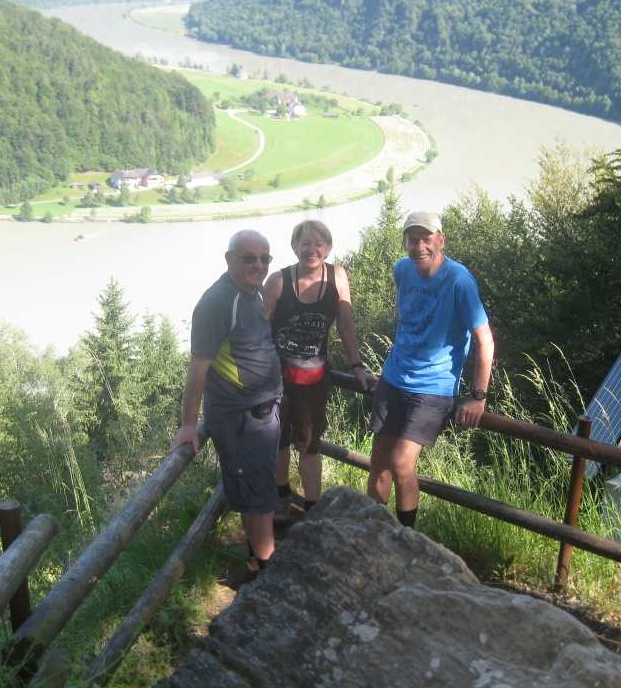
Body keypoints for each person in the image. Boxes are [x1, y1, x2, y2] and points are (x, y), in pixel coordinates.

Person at [368, 210, 494, 527]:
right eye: (412, 240)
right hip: (394, 377)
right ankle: (372, 530)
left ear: (441, 240)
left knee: (401, 463)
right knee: (379, 458)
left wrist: (478, 396)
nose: (419, 246)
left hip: (433, 387)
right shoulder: (402, 270)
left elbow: (485, 341)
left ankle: (406, 537)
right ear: (405, 243)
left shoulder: (459, 281)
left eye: (426, 239)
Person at [170, 229, 282, 574]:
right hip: (242, 418)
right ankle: (269, 574)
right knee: (260, 501)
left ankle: (256, 562)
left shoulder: (251, 291)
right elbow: (198, 367)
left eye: (265, 258)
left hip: (260, 413)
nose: (259, 265)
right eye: (249, 258)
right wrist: (189, 424)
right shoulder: (217, 303)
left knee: (256, 495)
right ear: (230, 259)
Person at [263, 220, 370, 514]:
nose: (312, 249)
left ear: (328, 248)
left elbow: (346, 324)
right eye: (305, 243)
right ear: (294, 247)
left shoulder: (337, 276)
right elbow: (259, 329)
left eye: (318, 243)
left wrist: (357, 365)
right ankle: (281, 497)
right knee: (279, 441)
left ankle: (313, 509)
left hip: (314, 379)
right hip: (277, 377)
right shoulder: (278, 281)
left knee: (311, 444)